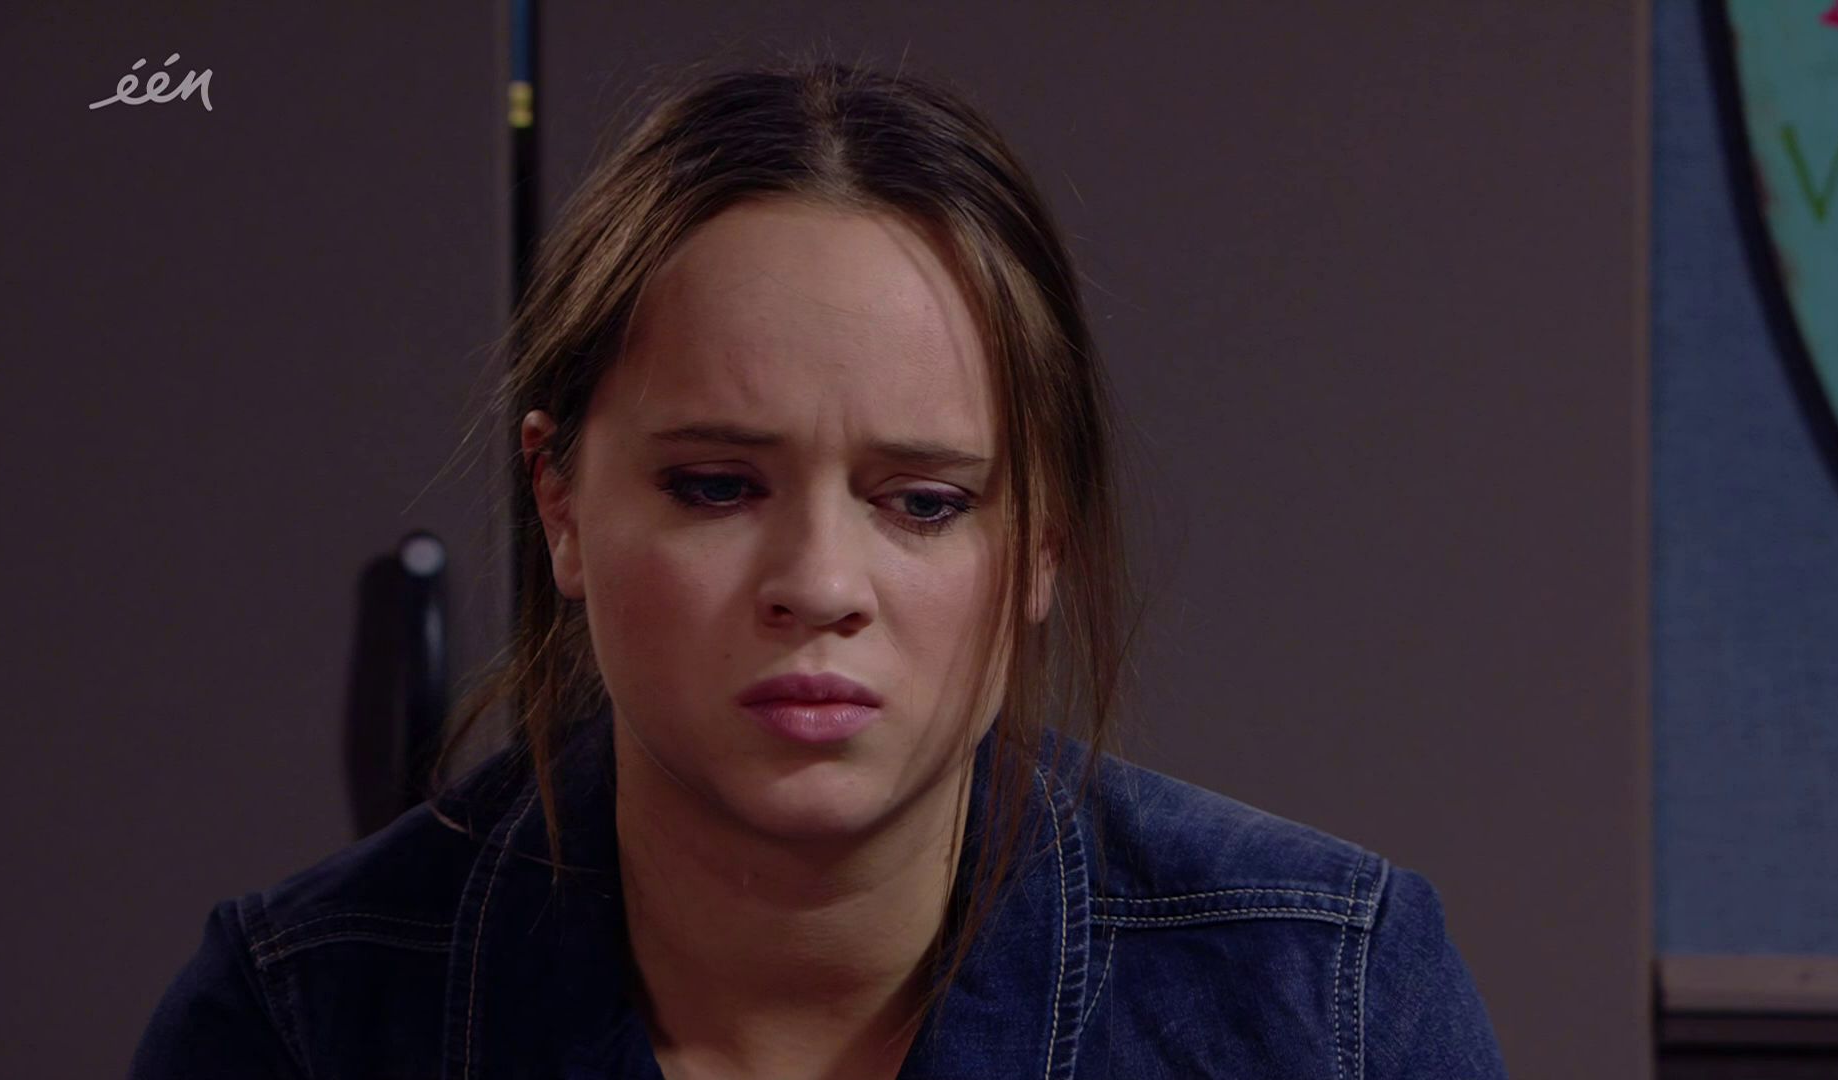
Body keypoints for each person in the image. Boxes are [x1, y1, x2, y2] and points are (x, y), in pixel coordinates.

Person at [128, 54, 1508, 1079]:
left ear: (1040, 540)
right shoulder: (298, 1021)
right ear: (560, 502)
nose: (819, 584)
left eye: (924, 502)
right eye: (717, 487)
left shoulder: (1327, 1006)